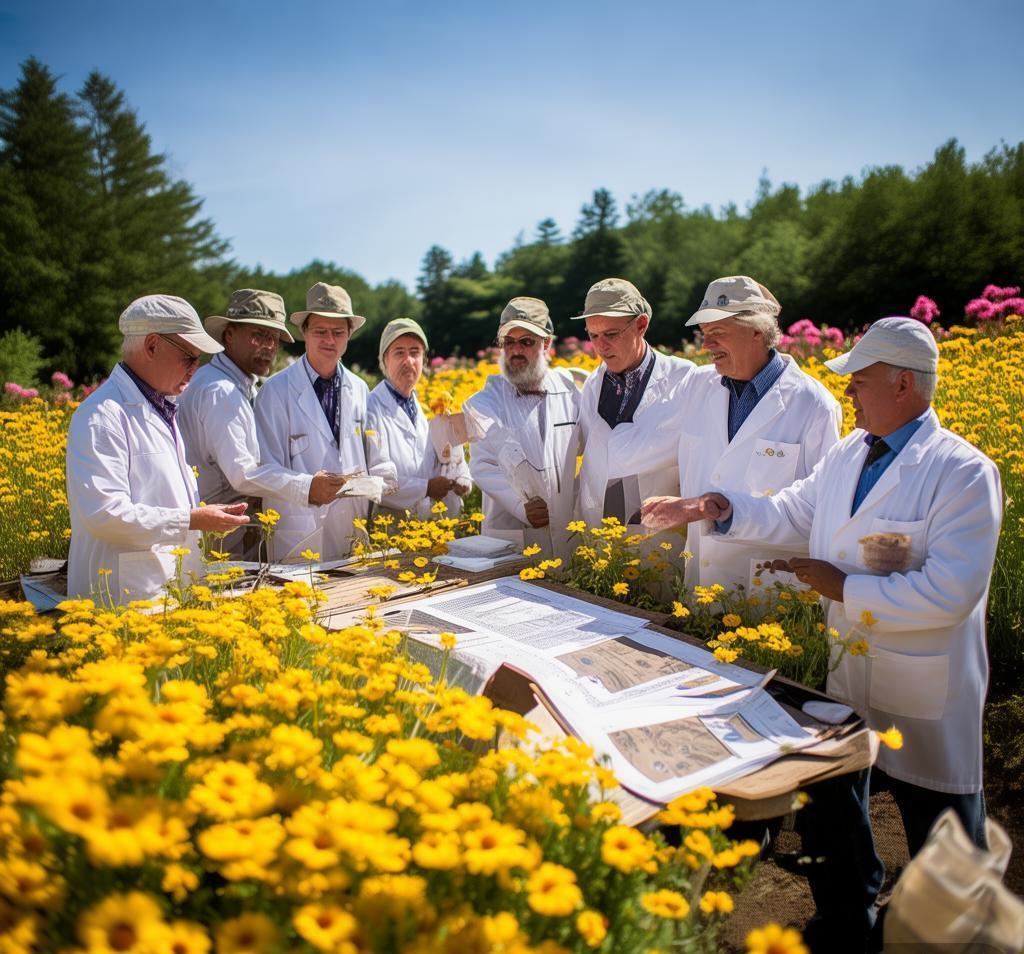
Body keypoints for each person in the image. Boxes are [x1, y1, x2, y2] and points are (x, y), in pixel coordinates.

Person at [643, 317, 1003, 951]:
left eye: (860, 381)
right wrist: (716, 507)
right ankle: (848, 922)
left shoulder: (962, 473)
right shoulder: (849, 454)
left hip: (925, 687)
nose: (850, 394)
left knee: (942, 831)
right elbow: (789, 510)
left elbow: (953, 593)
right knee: (840, 808)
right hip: (853, 671)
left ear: (903, 384)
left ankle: (958, 938)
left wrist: (844, 588)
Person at [642, 275, 841, 593]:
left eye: (717, 333)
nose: (706, 345)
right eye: (704, 334)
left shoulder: (812, 404)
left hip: (769, 595)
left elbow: (820, 514)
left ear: (757, 332)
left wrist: (700, 508)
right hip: (701, 587)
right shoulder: (698, 386)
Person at [66, 295, 249, 601]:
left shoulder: (160, 407)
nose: (195, 368)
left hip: (162, 588)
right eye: (189, 357)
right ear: (151, 346)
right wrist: (192, 519)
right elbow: (104, 514)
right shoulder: (101, 415)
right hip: (123, 598)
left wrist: (200, 516)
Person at [178, 289, 349, 558]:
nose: (269, 346)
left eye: (274, 338)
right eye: (259, 335)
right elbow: (242, 474)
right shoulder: (221, 391)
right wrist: (307, 487)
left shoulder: (235, 384)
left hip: (227, 533)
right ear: (229, 335)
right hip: (219, 540)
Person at [253, 282, 395, 560]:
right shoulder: (274, 391)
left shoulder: (360, 389)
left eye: (338, 332)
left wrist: (382, 478)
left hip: (349, 526)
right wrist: (307, 486)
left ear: (349, 334)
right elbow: (263, 469)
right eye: (320, 331)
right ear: (304, 332)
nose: (329, 340)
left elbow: (373, 455)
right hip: (298, 531)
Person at [463, 297, 580, 558]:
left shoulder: (569, 389)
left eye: (526, 342)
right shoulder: (482, 403)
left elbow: (592, 447)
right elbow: (482, 465)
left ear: (546, 344)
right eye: (509, 342)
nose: (516, 350)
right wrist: (520, 505)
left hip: (566, 528)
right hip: (510, 533)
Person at [574, 278, 694, 529]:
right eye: (593, 335)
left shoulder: (684, 379)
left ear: (641, 325)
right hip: (600, 533)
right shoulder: (593, 385)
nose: (601, 347)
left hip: (661, 534)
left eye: (610, 334)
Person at [366, 318, 471, 521]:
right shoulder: (371, 409)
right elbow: (377, 479)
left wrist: (460, 476)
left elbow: (444, 458)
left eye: (415, 353)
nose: (409, 361)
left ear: (423, 360)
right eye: (399, 353)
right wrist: (426, 488)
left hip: (428, 526)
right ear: (385, 359)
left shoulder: (424, 410)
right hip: (391, 529)